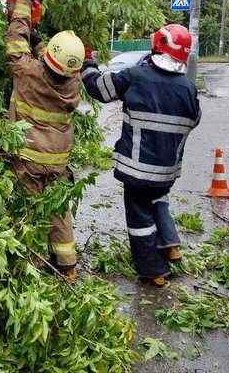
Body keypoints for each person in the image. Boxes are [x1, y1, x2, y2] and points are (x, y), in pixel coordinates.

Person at [81, 24, 201, 286]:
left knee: (139, 218)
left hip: (138, 170)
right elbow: (195, 119)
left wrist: (88, 65)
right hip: (167, 171)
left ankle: (153, 270)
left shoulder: (136, 76)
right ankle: (170, 244)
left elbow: (99, 89)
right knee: (158, 199)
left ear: (158, 45)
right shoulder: (188, 88)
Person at [5, 0, 85, 281]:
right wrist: (40, 44)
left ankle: (33, 268)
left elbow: (15, 38)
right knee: (58, 211)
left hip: (27, 158)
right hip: (57, 161)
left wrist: (24, 2)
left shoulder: (26, 73)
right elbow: (56, 66)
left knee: (30, 212)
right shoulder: (72, 85)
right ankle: (68, 267)